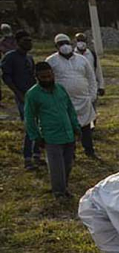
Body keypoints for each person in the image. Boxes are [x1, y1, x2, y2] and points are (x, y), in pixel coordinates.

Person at [23, 62, 80, 198]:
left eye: (49, 76)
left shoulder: (60, 89)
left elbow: (70, 109)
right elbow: (29, 118)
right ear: (37, 77)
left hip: (68, 134)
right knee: (56, 167)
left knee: (67, 165)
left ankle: (64, 188)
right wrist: (36, 137)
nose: (47, 79)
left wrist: (76, 127)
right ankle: (58, 192)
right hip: (51, 137)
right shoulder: (33, 94)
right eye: (43, 77)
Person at [47, 33, 98, 159]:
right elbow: (46, 81)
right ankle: (71, 153)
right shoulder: (51, 61)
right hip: (63, 102)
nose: (64, 46)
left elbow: (91, 78)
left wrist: (92, 96)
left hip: (83, 101)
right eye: (61, 44)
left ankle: (89, 151)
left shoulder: (82, 60)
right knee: (68, 128)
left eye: (66, 43)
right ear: (56, 46)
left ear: (70, 43)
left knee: (86, 128)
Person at [2, 30, 40, 169]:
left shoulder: (29, 58)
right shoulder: (10, 57)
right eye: (25, 41)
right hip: (22, 96)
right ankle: (27, 158)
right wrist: (18, 93)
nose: (29, 43)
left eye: (30, 41)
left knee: (38, 124)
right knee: (29, 126)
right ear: (18, 42)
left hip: (34, 95)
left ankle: (36, 154)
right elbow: (6, 77)